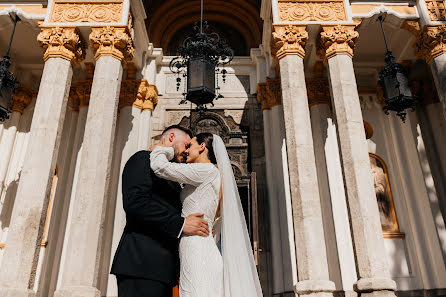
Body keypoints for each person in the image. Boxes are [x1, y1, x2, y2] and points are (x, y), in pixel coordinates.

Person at [150, 133, 263, 297]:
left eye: (190, 146)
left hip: (197, 248)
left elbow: (161, 168)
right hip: (200, 245)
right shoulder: (210, 173)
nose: (186, 151)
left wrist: (162, 149)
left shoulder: (206, 170)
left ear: (202, 147)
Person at [110, 125, 210, 297]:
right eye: (186, 145)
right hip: (141, 263)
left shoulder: (171, 175)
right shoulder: (142, 159)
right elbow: (136, 202)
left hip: (164, 269)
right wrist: (181, 223)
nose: (187, 151)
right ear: (171, 137)